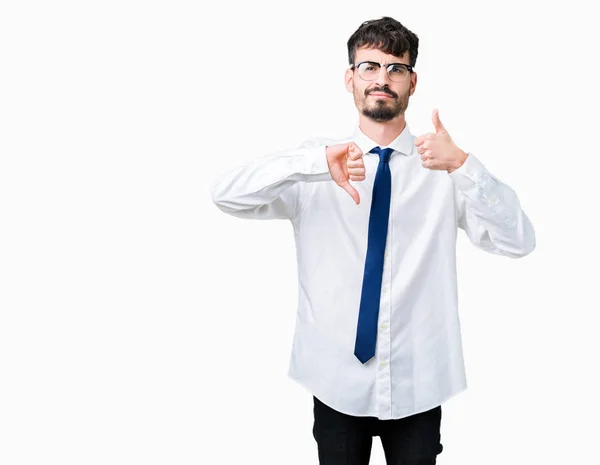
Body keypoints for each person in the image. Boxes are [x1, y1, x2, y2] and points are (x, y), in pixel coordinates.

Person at [211, 16, 535, 465]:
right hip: (336, 383)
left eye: (395, 68)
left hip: (419, 382)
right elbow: (226, 195)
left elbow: (518, 240)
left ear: (412, 82)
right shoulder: (315, 166)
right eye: (369, 66)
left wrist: (464, 165)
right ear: (350, 78)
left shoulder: (441, 168)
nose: (382, 78)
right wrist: (315, 163)